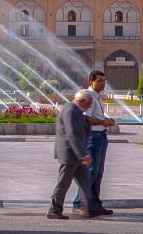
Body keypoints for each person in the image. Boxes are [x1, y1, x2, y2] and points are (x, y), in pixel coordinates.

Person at [71, 70, 116, 217]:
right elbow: (85, 118)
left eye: (104, 80)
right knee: (90, 172)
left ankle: (94, 205)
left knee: (98, 173)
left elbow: (96, 116)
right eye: (100, 81)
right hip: (93, 137)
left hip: (101, 136)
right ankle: (79, 204)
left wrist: (106, 121)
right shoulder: (87, 96)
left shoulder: (97, 97)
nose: (103, 83)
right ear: (91, 82)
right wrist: (103, 122)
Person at [48, 91, 97, 219]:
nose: (90, 106)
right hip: (70, 154)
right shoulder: (70, 110)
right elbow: (72, 134)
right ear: (82, 101)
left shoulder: (76, 110)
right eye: (89, 103)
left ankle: (89, 208)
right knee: (63, 183)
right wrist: (82, 154)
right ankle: (54, 210)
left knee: (85, 181)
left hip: (76, 155)